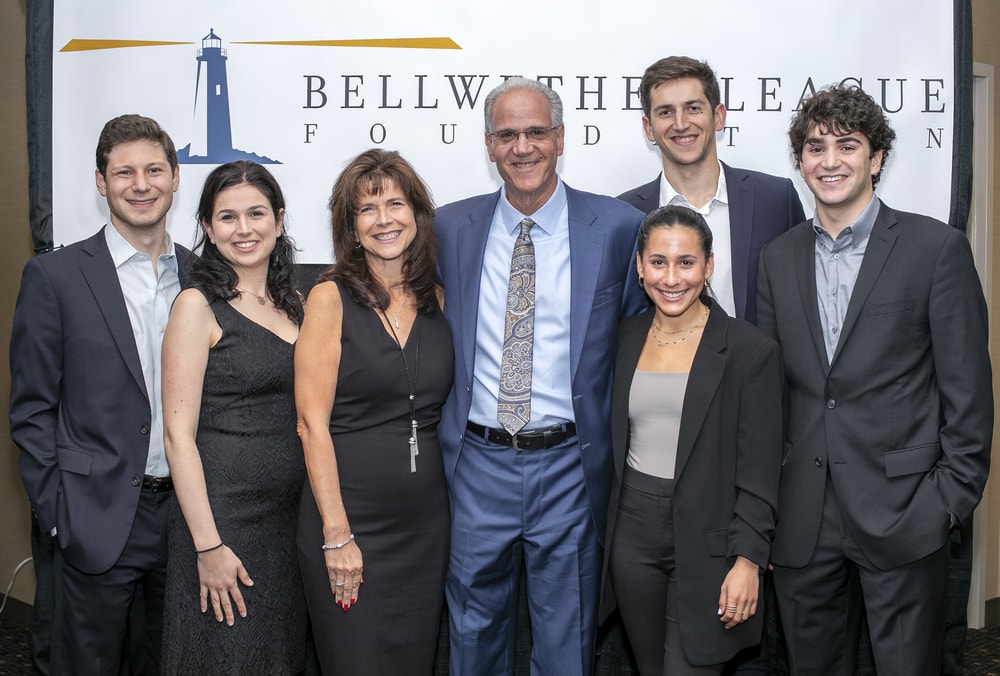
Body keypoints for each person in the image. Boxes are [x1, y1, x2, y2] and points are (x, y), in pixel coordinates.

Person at [757, 84, 993, 676]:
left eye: (847, 145)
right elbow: (768, 397)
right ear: (801, 160)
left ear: (876, 158)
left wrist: (945, 504)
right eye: (815, 147)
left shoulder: (935, 248)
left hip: (905, 513)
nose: (830, 160)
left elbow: (968, 394)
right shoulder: (776, 258)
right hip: (803, 521)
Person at [435, 76, 647, 675]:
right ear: (488, 145)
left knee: (567, 639)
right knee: (473, 634)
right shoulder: (449, 229)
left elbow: (639, 340)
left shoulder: (616, 227)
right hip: (477, 461)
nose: (522, 147)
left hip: (570, 466)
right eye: (507, 135)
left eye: (535, 133)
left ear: (560, 138)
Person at [9, 114, 192, 675]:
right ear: (100, 182)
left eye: (154, 170)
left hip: (186, 522)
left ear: (175, 177)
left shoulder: (202, 274)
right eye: (124, 172)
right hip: (96, 517)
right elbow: (31, 410)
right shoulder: (54, 277)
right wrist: (60, 516)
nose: (141, 184)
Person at [603, 205, 782, 676]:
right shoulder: (623, 337)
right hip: (631, 534)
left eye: (686, 262)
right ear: (640, 266)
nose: (671, 277)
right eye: (658, 261)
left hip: (711, 541)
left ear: (708, 266)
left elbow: (761, 472)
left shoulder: (749, 351)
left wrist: (748, 559)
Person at [296, 149, 453, 675]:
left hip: (426, 529)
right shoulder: (329, 298)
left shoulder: (438, 297)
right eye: (367, 209)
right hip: (351, 524)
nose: (384, 219)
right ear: (350, 227)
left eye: (395, 203)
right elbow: (310, 423)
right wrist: (337, 533)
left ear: (418, 213)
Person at [159, 161, 306, 674]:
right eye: (227, 217)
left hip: (288, 526)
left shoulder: (296, 305)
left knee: (277, 657)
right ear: (206, 227)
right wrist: (208, 545)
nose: (244, 229)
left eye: (256, 213)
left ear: (280, 219)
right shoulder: (197, 306)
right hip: (223, 524)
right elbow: (178, 436)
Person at [618, 56, 804, 324]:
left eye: (693, 108)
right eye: (666, 112)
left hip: (757, 365)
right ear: (649, 128)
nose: (680, 123)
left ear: (718, 117)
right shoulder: (625, 216)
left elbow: (801, 300)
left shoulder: (775, 200)